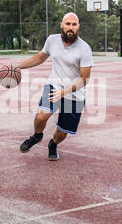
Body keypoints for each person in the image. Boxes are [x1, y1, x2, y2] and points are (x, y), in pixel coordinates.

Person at [18, 12, 93, 160]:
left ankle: (53, 144)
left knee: (62, 133)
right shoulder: (52, 40)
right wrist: (18, 67)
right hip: (54, 86)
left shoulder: (84, 49)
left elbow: (84, 79)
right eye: (68, 24)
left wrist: (64, 92)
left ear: (78, 27)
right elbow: (40, 57)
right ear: (61, 25)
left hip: (74, 94)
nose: (70, 27)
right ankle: (37, 136)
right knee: (41, 116)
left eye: (74, 24)